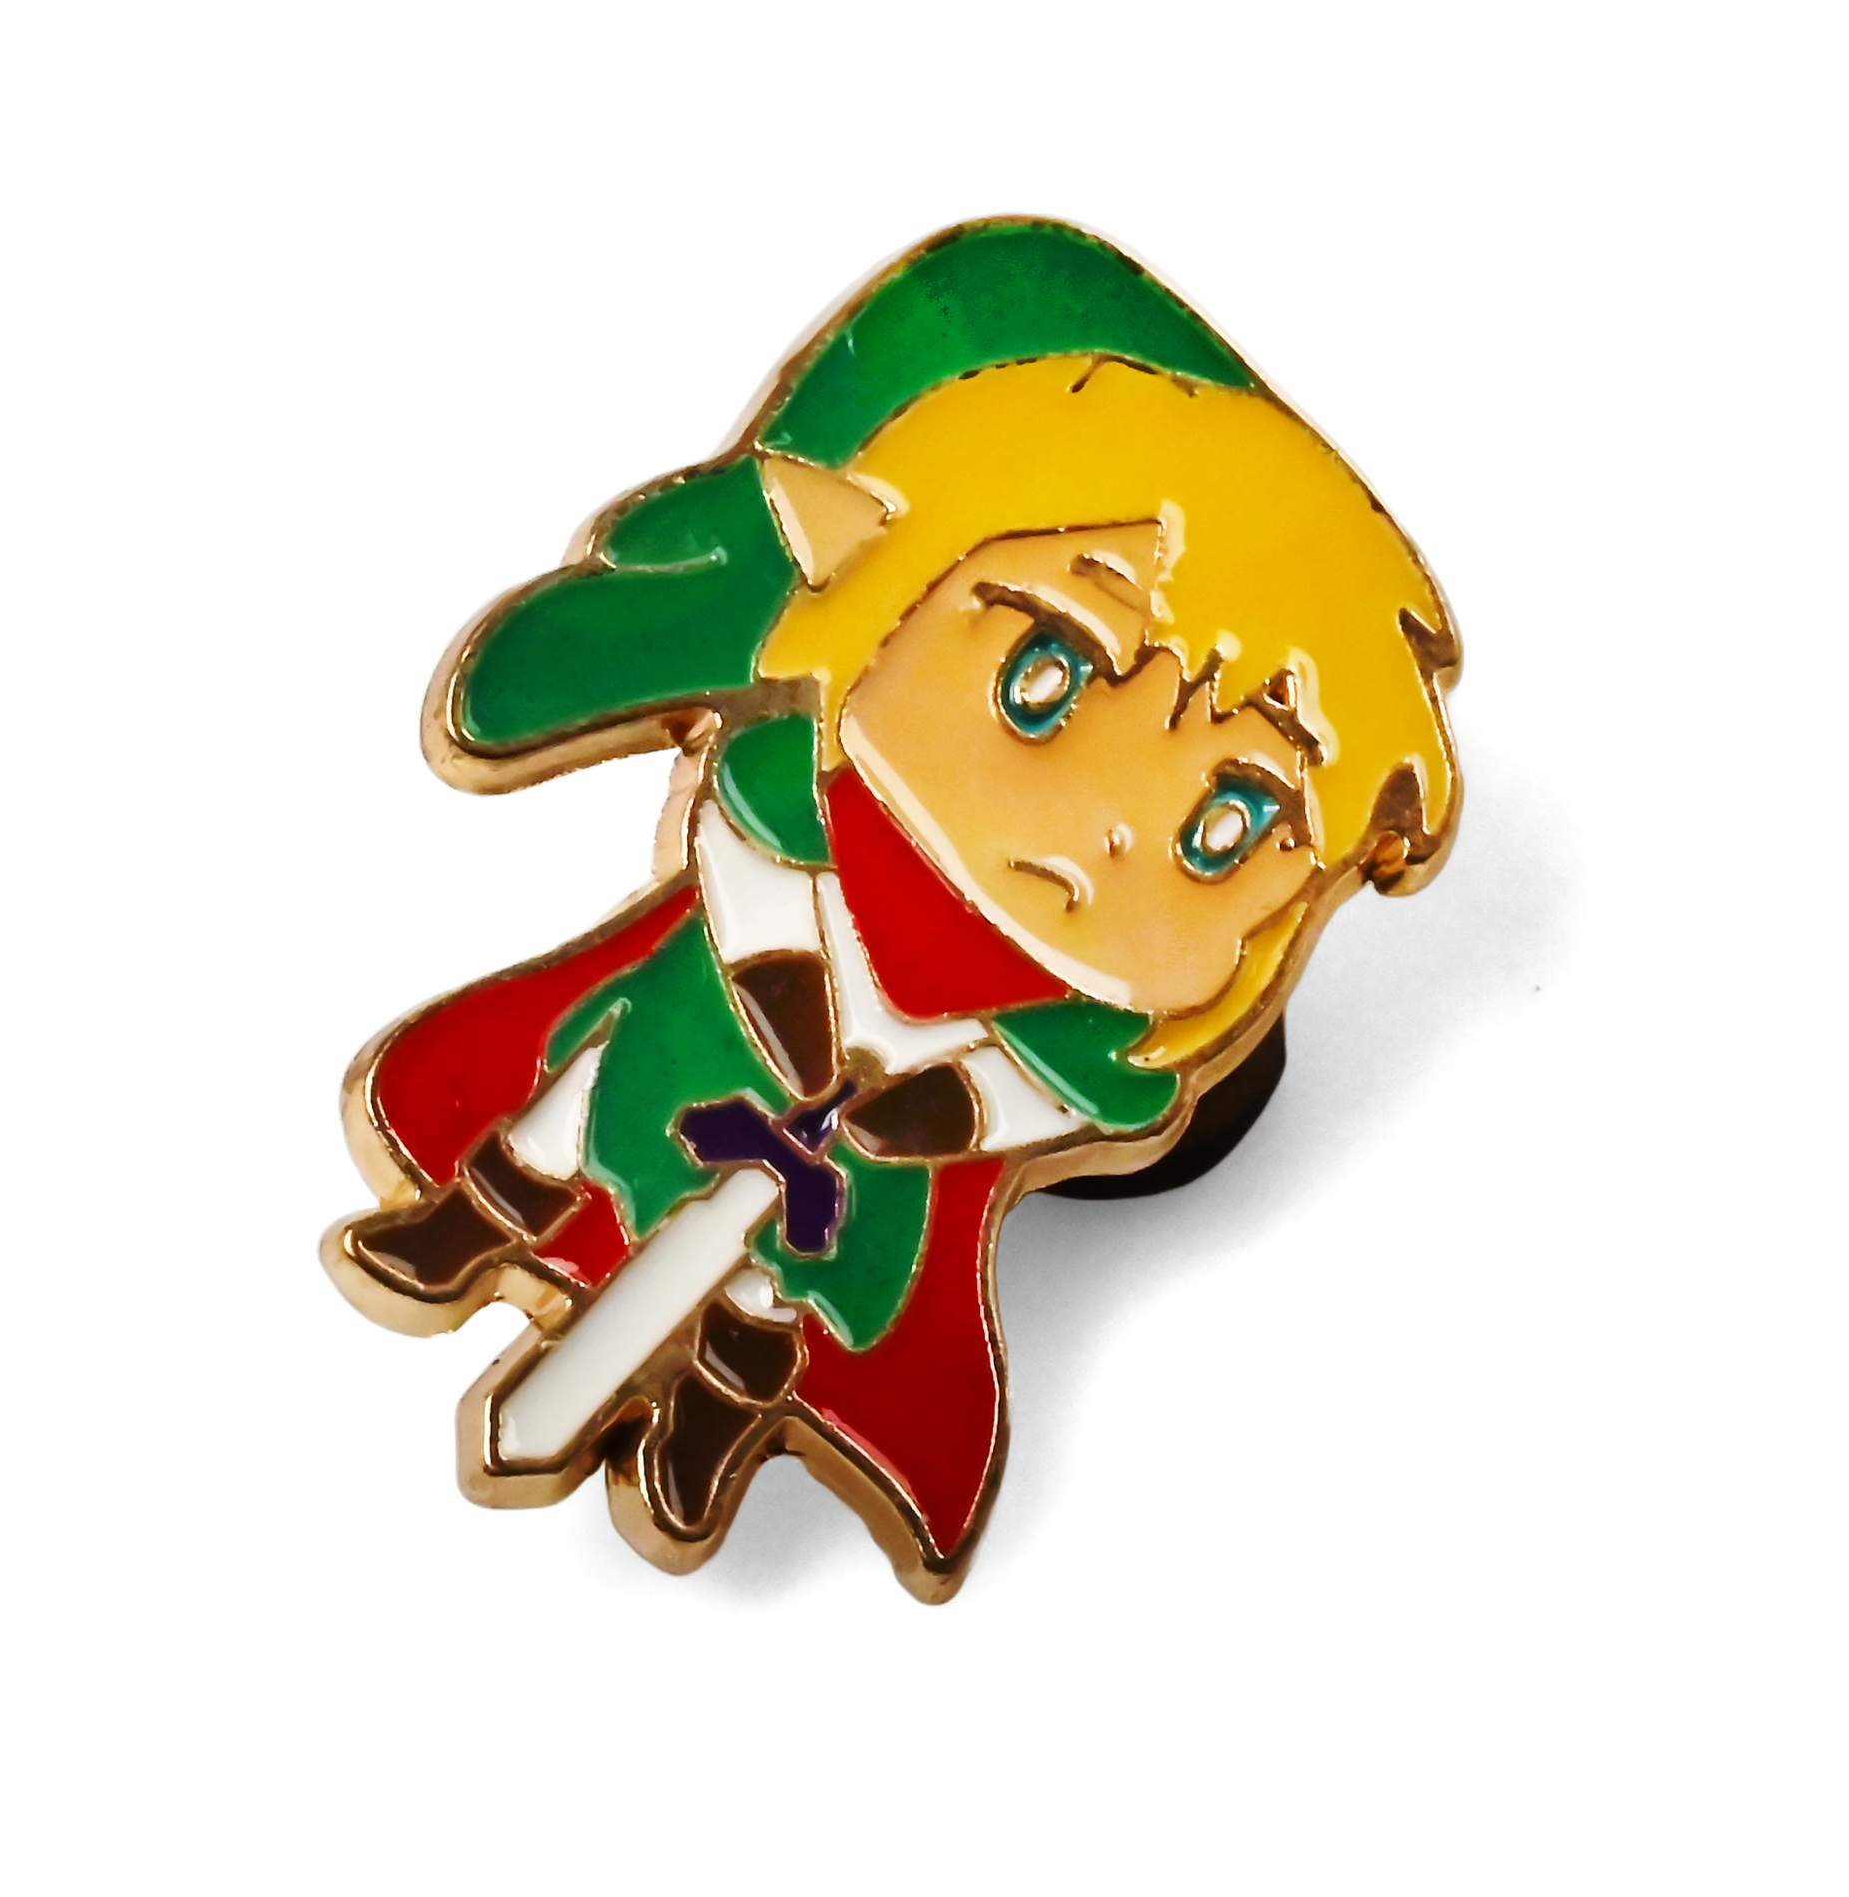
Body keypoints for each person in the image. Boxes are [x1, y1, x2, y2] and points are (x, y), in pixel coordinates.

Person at [323, 219, 1462, 1601]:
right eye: (1044, 675)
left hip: (874, 1172)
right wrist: (777, 984)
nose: (1101, 835)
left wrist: (949, 1113)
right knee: (591, 1081)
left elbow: (1088, 1085)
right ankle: (474, 1219)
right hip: (703, 1027)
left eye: (1225, 822)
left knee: (800, 1278)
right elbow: (742, 857)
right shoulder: (790, 812)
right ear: (878, 583)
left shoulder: (1087, 1039)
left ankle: (719, 1408)